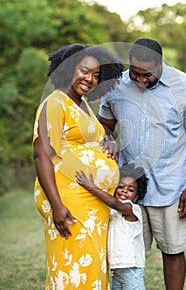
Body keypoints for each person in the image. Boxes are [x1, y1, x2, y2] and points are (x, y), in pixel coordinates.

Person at [98, 38, 186, 290]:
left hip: (171, 187)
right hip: (128, 188)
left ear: (160, 64)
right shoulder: (116, 86)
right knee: (124, 254)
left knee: (172, 250)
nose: (139, 80)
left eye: (146, 74)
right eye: (135, 73)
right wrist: (107, 138)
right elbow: (104, 124)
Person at [33, 43, 124, 289]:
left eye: (96, 75)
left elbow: (95, 137)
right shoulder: (55, 103)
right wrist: (56, 205)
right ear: (68, 69)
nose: (90, 79)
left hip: (92, 203)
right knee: (70, 269)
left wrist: (110, 141)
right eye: (84, 71)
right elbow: (42, 154)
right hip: (68, 201)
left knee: (92, 266)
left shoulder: (81, 105)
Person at [75, 163, 149, 290]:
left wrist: (91, 187)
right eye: (120, 187)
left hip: (131, 268)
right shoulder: (111, 212)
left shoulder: (132, 209)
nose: (124, 191)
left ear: (136, 197)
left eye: (130, 190)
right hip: (116, 268)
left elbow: (116, 204)